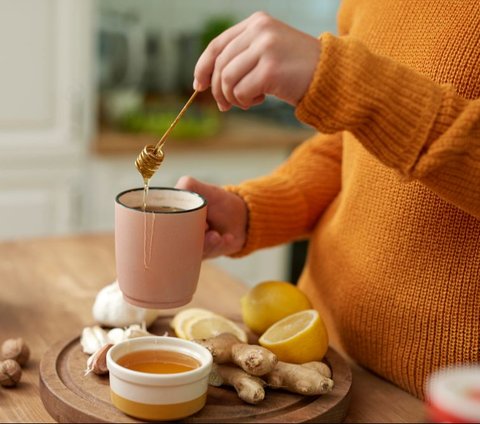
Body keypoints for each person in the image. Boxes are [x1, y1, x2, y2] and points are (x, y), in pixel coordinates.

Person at [176, 3, 480, 399]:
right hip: (321, 366)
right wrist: (251, 210)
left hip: (448, 399)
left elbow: (367, 104)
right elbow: (349, 146)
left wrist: (346, 82)